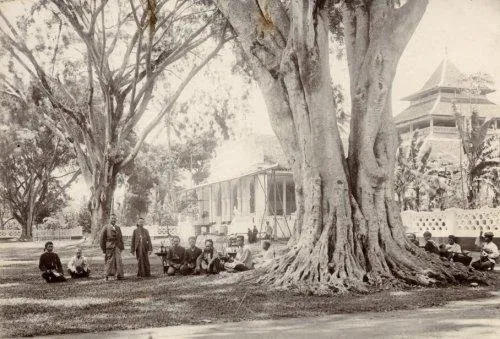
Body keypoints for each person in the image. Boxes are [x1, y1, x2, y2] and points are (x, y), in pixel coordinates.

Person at [100, 213, 125, 280]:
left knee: (118, 261)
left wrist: (122, 247)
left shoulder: (118, 228)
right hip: (109, 247)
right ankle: (107, 276)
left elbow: (120, 238)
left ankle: (119, 275)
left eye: (114, 218)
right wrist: (103, 250)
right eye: (112, 218)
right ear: (109, 219)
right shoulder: (105, 227)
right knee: (109, 261)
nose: (113, 220)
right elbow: (102, 239)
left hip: (117, 247)